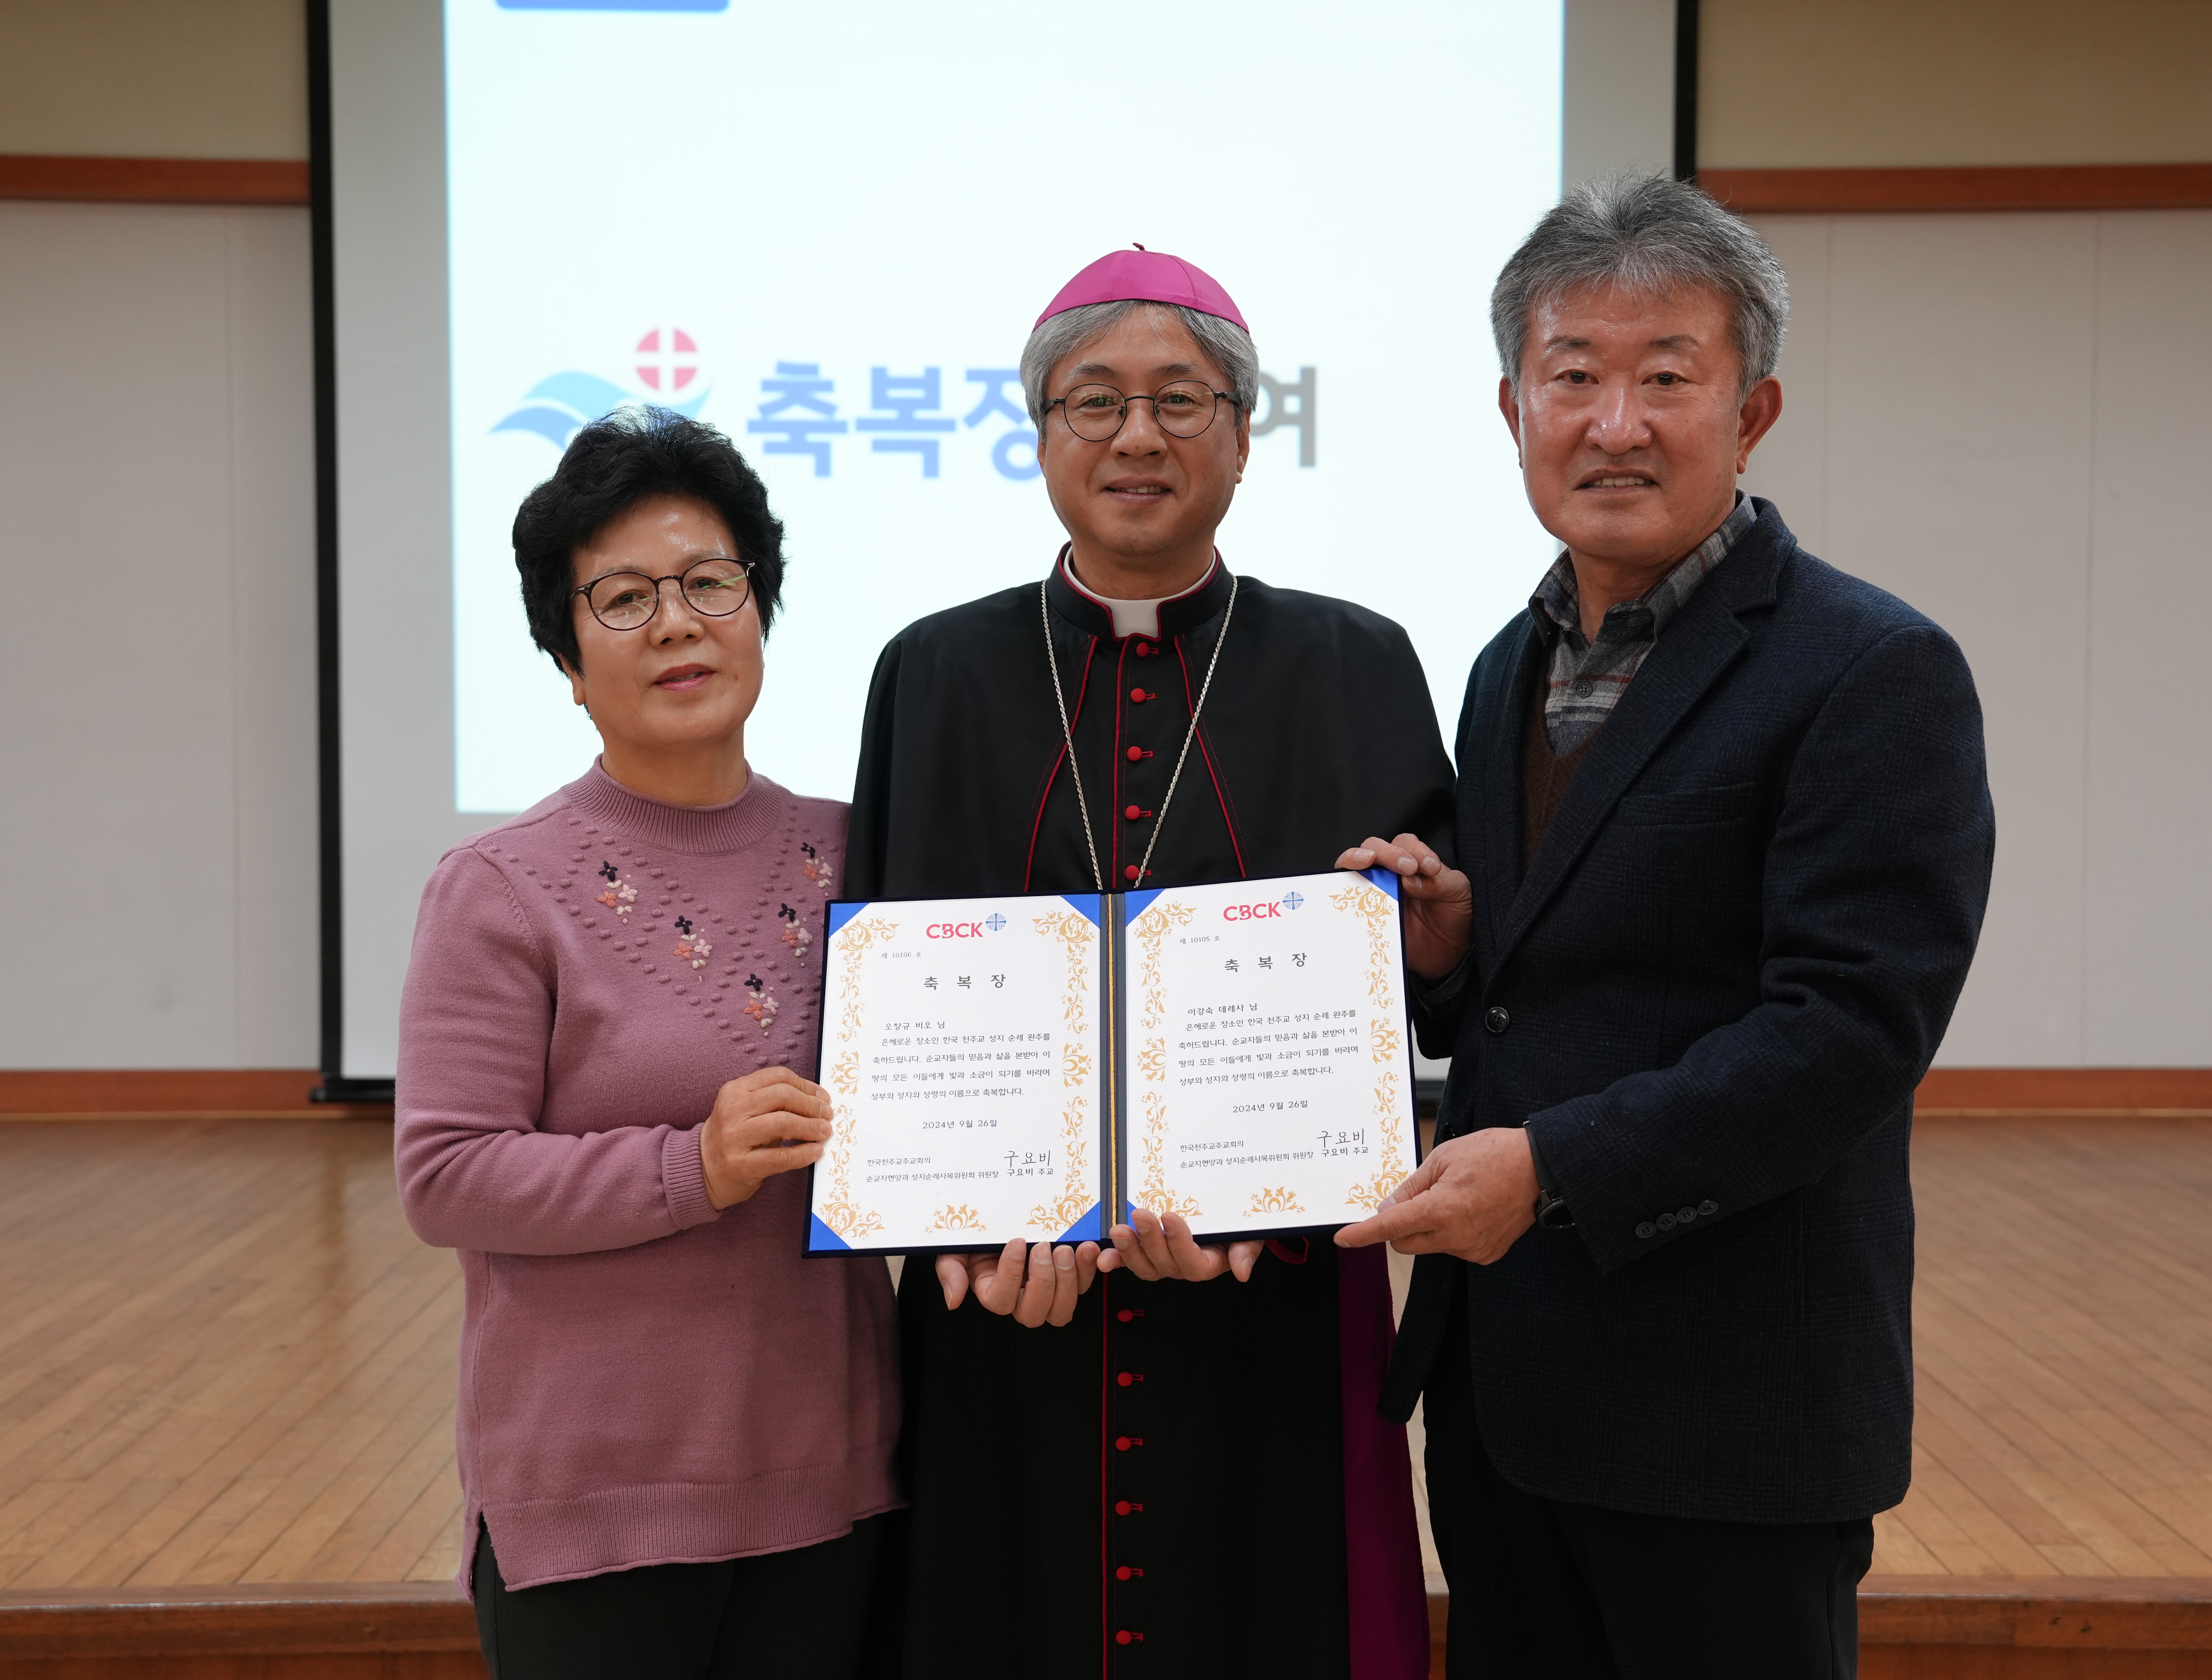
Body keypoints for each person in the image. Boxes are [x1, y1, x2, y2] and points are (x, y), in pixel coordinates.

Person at [1334, 175, 1995, 1679]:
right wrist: (1456, 947)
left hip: (1727, 1411)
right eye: (1574, 375)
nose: (1614, 421)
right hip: (1510, 1390)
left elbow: (1848, 1033)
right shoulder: (1513, 659)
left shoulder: (1869, 667)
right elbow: (1559, 969)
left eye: (1667, 377)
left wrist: (1557, 1170)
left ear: (1752, 412)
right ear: (1513, 406)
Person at [844, 248, 1448, 1678]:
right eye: (1093, 402)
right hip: (1008, 1299)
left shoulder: (1358, 662)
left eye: (1182, 400)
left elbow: (1430, 974)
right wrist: (951, 1235)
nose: (1136, 436)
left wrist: (1434, 921)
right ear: (1040, 433)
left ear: (1245, 431)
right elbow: (877, 988)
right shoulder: (931, 670)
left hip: (1277, 1290)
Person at [395, 409, 898, 1680]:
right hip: (596, 1510)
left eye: (709, 582)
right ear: (567, 659)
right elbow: (447, 1175)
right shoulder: (500, 887)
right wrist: (697, 1168)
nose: (676, 622)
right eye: (620, 599)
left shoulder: (865, 857)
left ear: (758, 611)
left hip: (837, 1485)